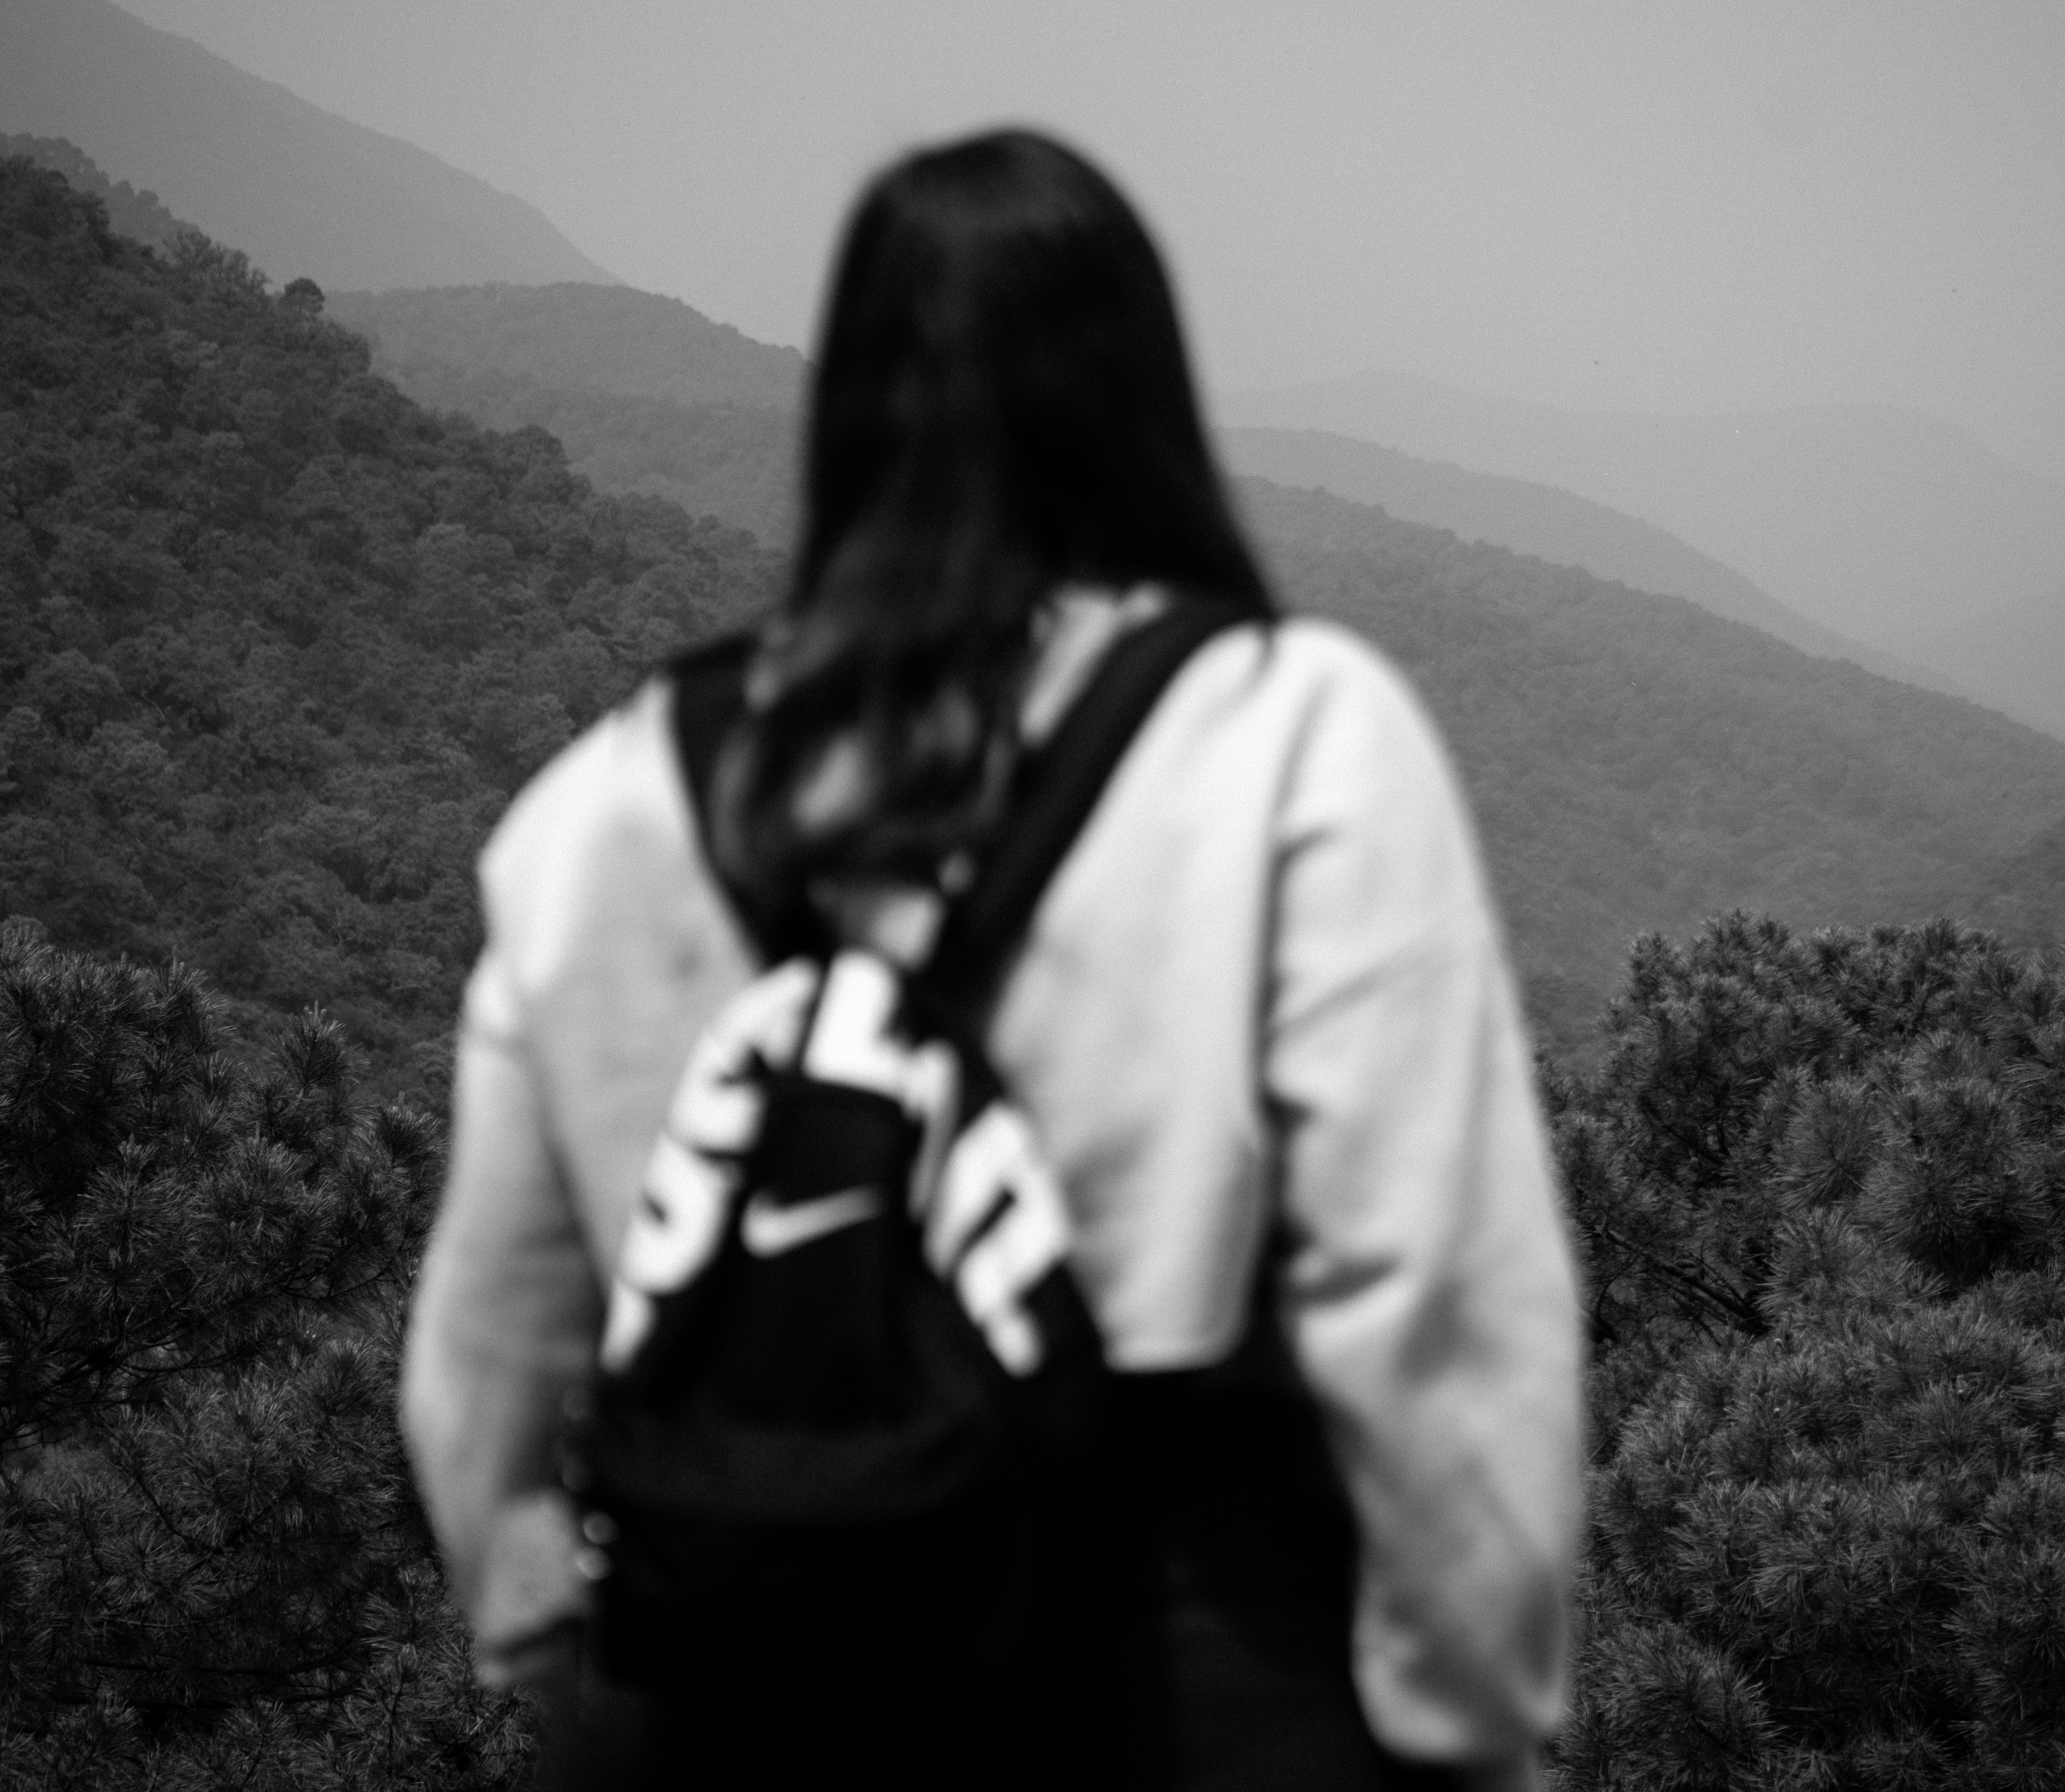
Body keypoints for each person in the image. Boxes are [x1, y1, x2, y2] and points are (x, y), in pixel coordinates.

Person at [401, 129, 1583, 1789]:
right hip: (1189, 1677)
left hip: (725, 1690)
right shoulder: (1296, 739)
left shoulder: (609, 805)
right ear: (1143, 393)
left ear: (850, 405)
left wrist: (563, 1665)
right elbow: (1436, 1317)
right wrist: (1473, 1727)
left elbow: (483, 1362)